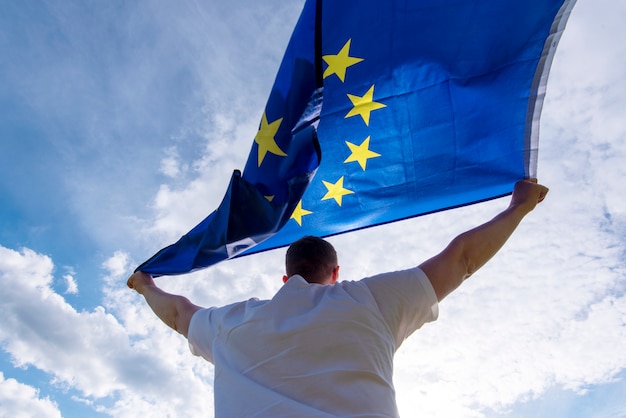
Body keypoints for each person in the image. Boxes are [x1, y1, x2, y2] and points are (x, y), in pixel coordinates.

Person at [128, 178, 548, 417]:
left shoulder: (230, 324)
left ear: (285, 276)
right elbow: (461, 260)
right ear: (335, 273)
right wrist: (518, 208)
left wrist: (147, 284)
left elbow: (179, 314)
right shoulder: (370, 301)